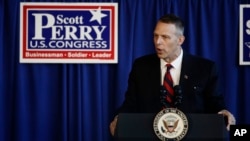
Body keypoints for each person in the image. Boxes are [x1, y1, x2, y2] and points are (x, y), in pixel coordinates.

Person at [110, 14, 236, 136]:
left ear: (180, 40)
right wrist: (119, 118)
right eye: (155, 36)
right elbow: (131, 103)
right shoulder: (141, 66)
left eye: (165, 37)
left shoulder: (205, 68)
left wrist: (223, 112)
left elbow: (214, 102)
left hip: (193, 135)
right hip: (150, 135)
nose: (158, 42)